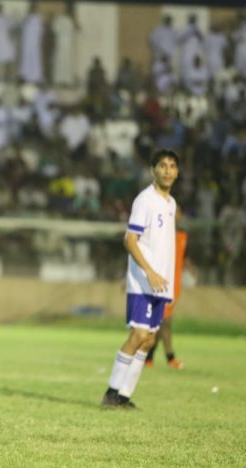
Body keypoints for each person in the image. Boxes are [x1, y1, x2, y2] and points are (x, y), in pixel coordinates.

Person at [101, 149, 179, 409]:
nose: (167, 170)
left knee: (149, 340)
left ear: (177, 173)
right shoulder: (145, 200)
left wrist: (165, 279)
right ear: (152, 170)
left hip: (161, 284)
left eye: (172, 166)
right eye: (162, 165)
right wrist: (150, 272)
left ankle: (124, 396)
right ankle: (111, 392)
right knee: (139, 335)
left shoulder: (171, 204)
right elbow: (130, 240)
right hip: (144, 282)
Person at [145, 212, 189, 370]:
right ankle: (170, 357)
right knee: (165, 321)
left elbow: (183, 257)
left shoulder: (182, 237)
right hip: (162, 284)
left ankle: (148, 357)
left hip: (175, 286)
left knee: (161, 321)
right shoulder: (160, 237)